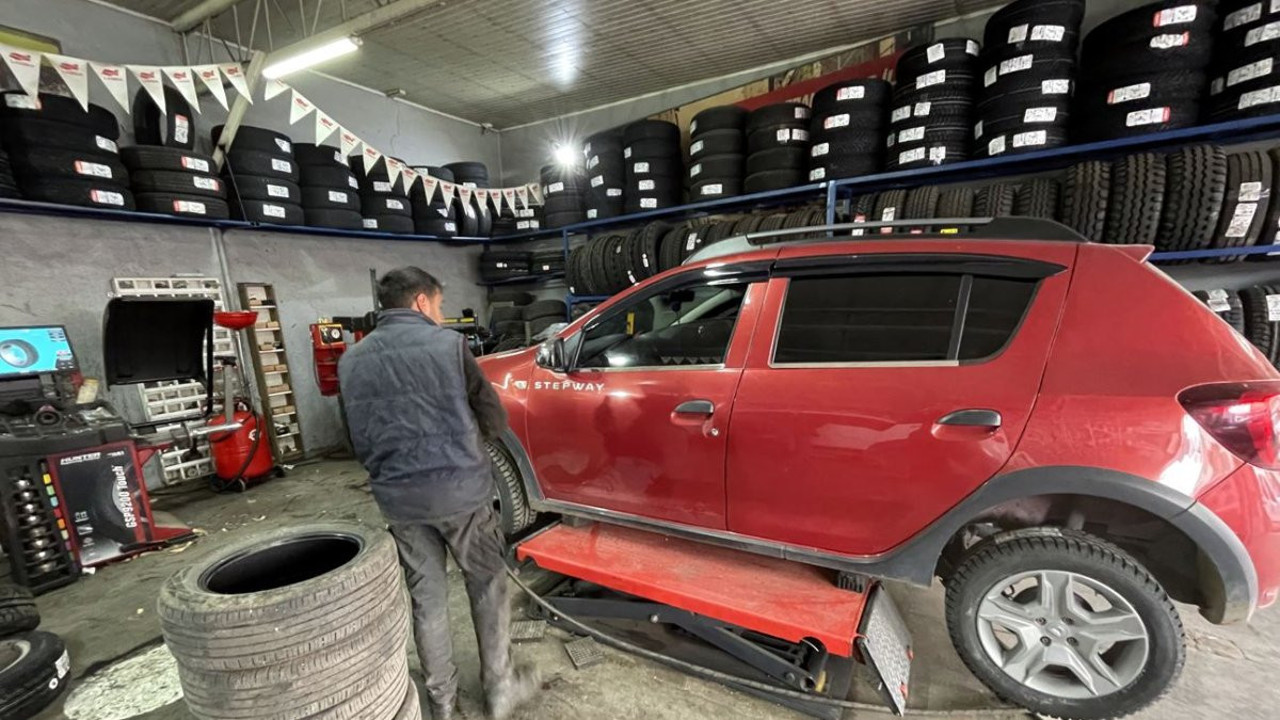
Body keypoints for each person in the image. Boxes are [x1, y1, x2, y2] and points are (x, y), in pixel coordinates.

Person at [339, 267, 539, 720]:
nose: (440, 313)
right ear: (421, 303)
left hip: (400, 501)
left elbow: (351, 437)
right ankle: (499, 688)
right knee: (487, 584)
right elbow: (493, 419)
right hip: (461, 495)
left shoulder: (351, 359)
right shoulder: (449, 346)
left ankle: (442, 703)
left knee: (426, 597)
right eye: (439, 304)